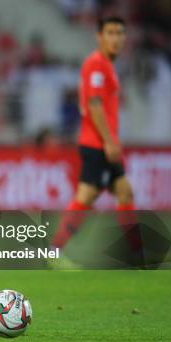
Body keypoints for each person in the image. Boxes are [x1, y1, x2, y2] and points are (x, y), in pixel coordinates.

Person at [52, 16, 140, 256]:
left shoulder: (106, 65)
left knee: (124, 192)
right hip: (98, 144)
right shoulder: (97, 64)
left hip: (102, 143)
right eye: (110, 32)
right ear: (99, 36)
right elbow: (94, 104)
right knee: (87, 196)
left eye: (120, 33)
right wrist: (110, 141)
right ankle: (54, 249)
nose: (116, 38)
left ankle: (138, 253)